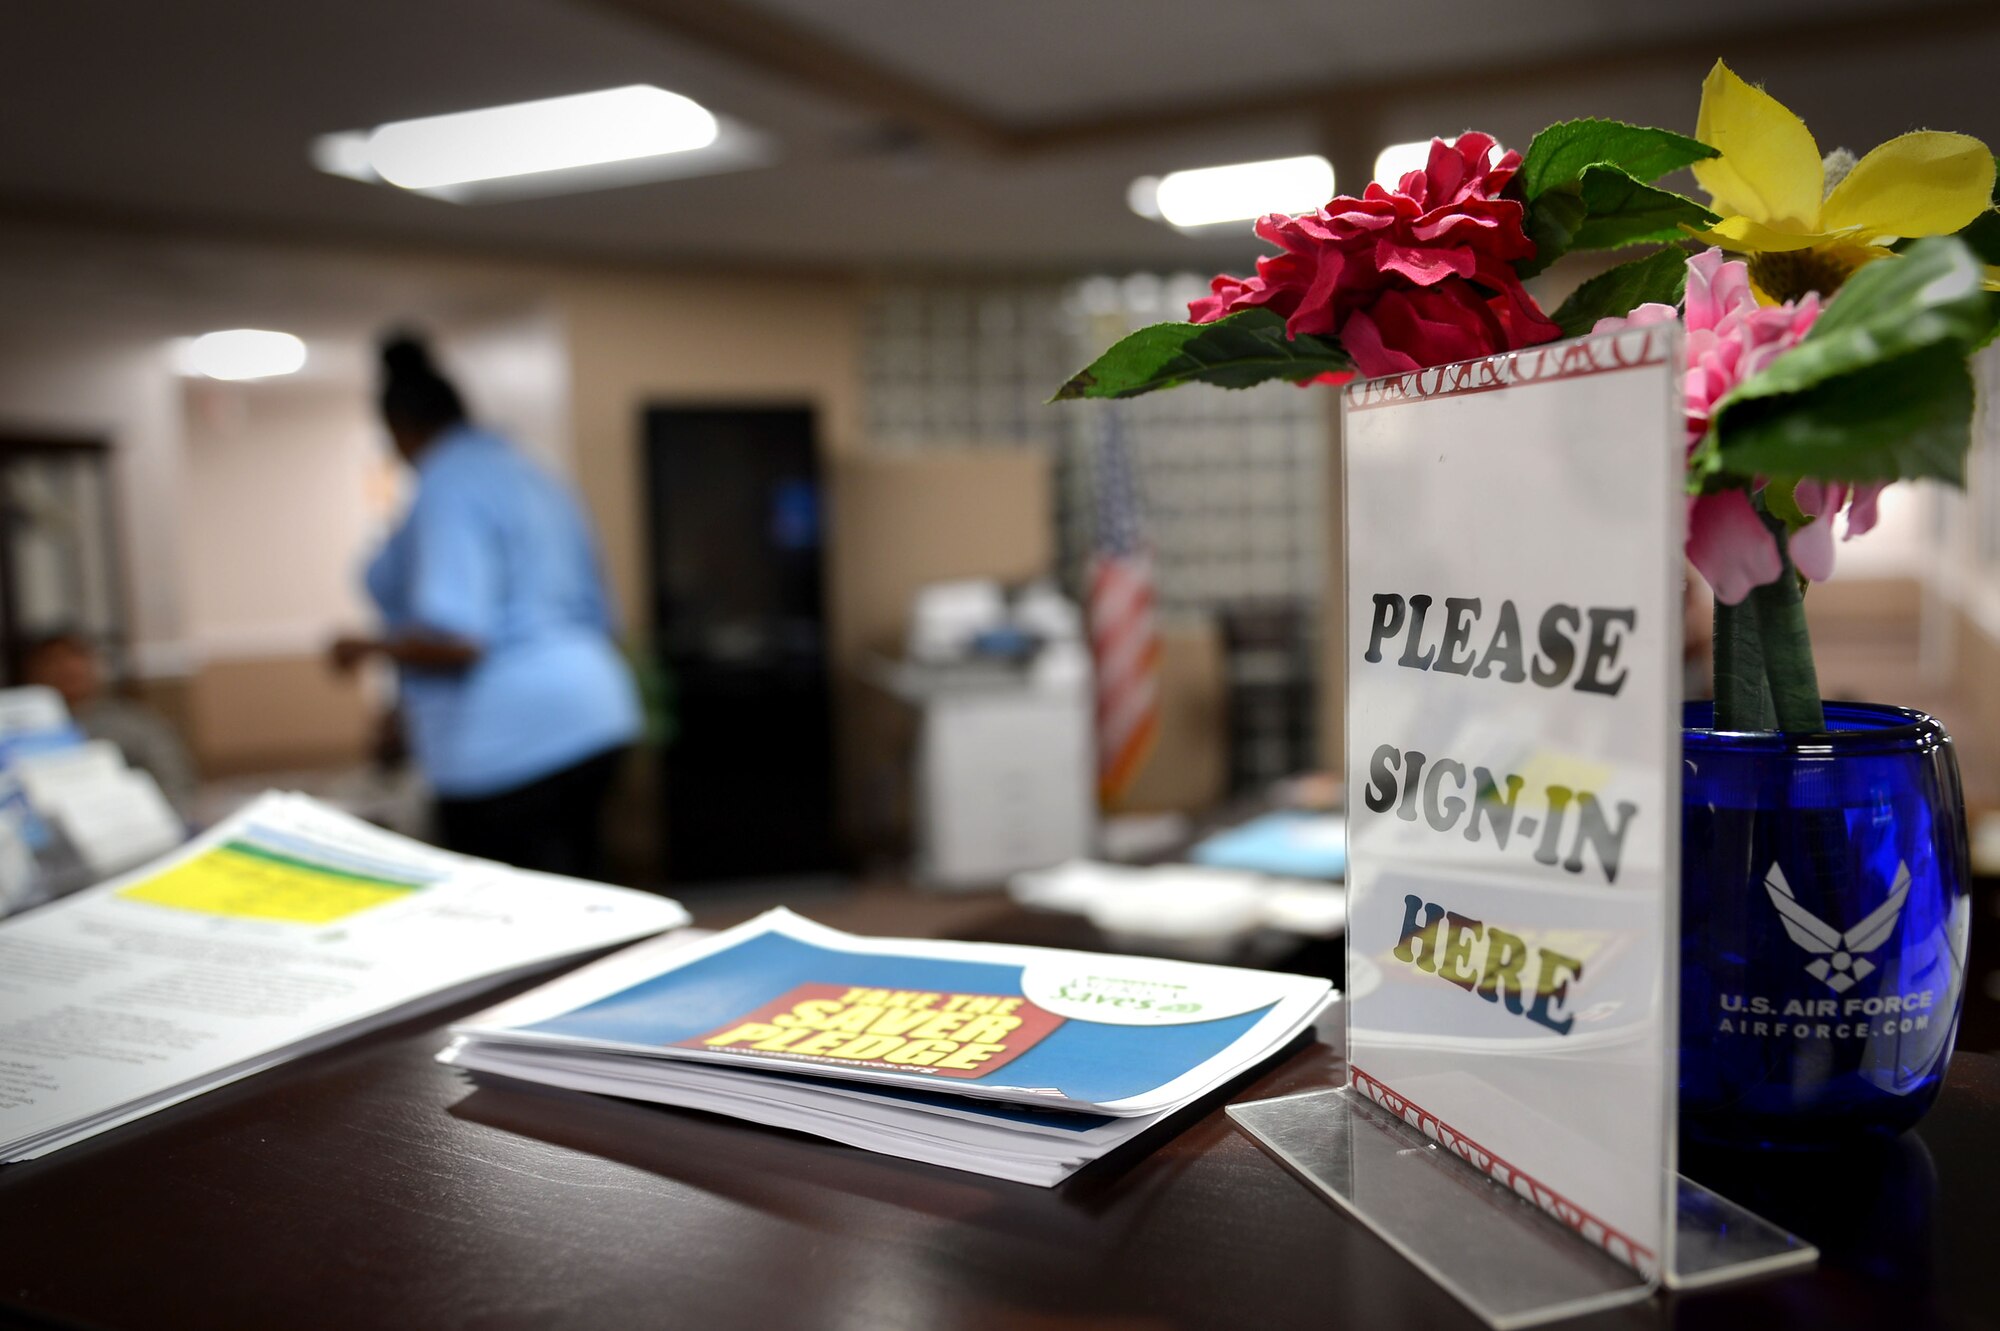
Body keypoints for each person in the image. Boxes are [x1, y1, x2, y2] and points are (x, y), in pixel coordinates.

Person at [331, 333, 640, 878]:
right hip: (597, 714)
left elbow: (459, 639)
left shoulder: (447, 486)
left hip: (507, 744)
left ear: (400, 431)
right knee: (588, 896)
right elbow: (600, 610)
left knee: (519, 923)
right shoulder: (533, 473)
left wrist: (363, 648)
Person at [21, 631, 198, 819]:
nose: (66, 668)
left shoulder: (133, 721)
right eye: (52, 660)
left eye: (76, 657)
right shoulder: (24, 732)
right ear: (34, 672)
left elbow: (176, 780)